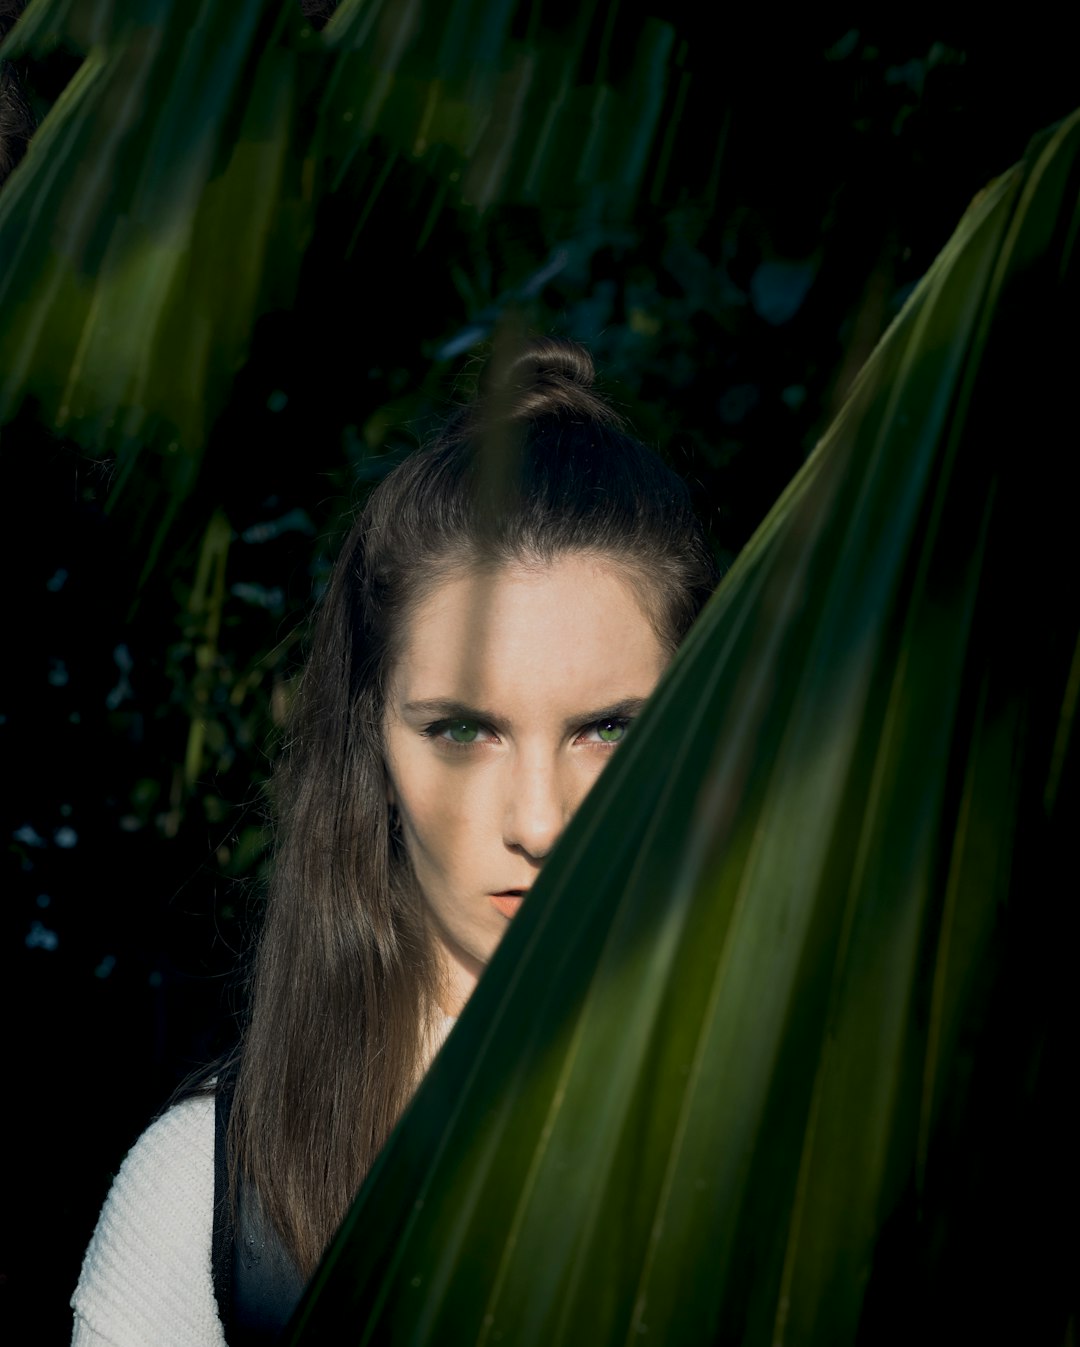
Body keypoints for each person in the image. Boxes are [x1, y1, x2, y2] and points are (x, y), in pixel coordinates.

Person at [70, 338, 719, 1345]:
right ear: (369, 744)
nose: (539, 822)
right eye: (463, 730)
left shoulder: (829, 1144)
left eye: (609, 730)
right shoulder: (202, 1201)